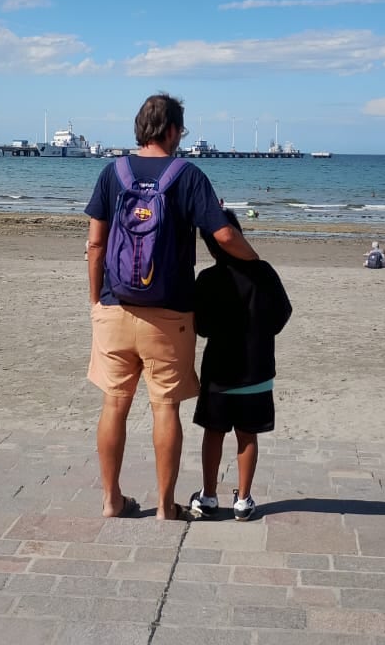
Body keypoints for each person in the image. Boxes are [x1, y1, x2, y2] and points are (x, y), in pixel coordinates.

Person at [84, 93, 258, 521]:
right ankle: (165, 506)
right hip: (170, 314)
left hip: (115, 307)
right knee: (165, 408)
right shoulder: (188, 175)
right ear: (173, 130)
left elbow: (95, 244)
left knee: (114, 404)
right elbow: (223, 235)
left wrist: (96, 300)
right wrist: (256, 263)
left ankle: (111, 500)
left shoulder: (113, 173)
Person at [189, 209, 291, 522]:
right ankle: (243, 500)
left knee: (214, 432)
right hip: (257, 369)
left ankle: (208, 495)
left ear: (210, 247)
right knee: (248, 435)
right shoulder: (263, 272)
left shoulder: (207, 279)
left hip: (219, 371)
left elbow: (201, 327)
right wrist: (262, 331)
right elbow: (282, 313)